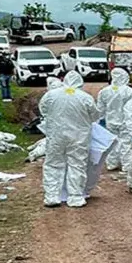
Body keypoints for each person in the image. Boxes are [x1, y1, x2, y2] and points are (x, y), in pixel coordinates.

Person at [39, 71, 99, 208]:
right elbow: (95, 116)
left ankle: (52, 196)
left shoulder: (51, 95)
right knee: (77, 165)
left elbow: (43, 110)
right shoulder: (85, 97)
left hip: (56, 135)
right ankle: (76, 197)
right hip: (79, 137)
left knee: (53, 164)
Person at [97, 68, 132, 172]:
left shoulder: (104, 91)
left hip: (110, 121)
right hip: (125, 121)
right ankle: (127, 165)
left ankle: (112, 163)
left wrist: (101, 120)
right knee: (126, 144)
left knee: (111, 143)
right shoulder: (130, 92)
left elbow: (100, 108)